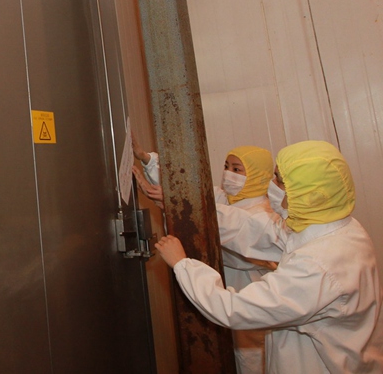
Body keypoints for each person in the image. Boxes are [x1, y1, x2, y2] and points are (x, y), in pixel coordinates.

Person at [156, 140, 383, 373]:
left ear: (309, 194)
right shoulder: (338, 227)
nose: (272, 185)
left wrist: (183, 265)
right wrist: (188, 206)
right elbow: (257, 230)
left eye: (280, 180)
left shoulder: (317, 265)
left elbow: (235, 309)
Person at [133, 139, 276, 374]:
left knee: (251, 358)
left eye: (237, 169)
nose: (229, 174)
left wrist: (175, 203)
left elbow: (234, 247)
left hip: (248, 291)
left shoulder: (264, 214)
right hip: (222, 290)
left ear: (257, 174)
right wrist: (147, 160)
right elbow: (188, 194)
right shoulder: (225, 198)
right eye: (227, 166)